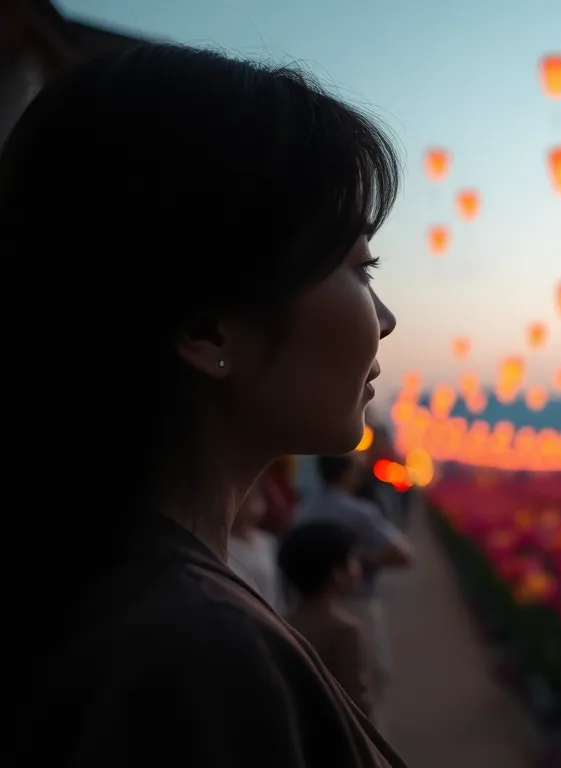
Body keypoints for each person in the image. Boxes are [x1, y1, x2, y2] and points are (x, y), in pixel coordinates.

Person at [5, 43, 406, 767]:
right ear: (206, 327)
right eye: (358, 267)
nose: (384, 319)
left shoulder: (92, 591)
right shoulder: (197, 655)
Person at [296, 452, 414, 724]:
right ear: (348, 473)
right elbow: (405, 555)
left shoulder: (303, 511)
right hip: (356, 605)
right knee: (368, 683)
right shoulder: (359, 512)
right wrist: (361, 560)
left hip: (308, 609)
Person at [277, 521, 374, 720]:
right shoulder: (344, 631)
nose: (358, 566)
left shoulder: (280, 622)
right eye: (352, 559)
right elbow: (356, 700)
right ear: (337, 574)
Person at [227, 488, 285, 611]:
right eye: (246, 499)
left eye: (256, 498)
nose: (253, 505)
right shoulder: (224, 545)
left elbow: (276, 587)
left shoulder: (269, 542)